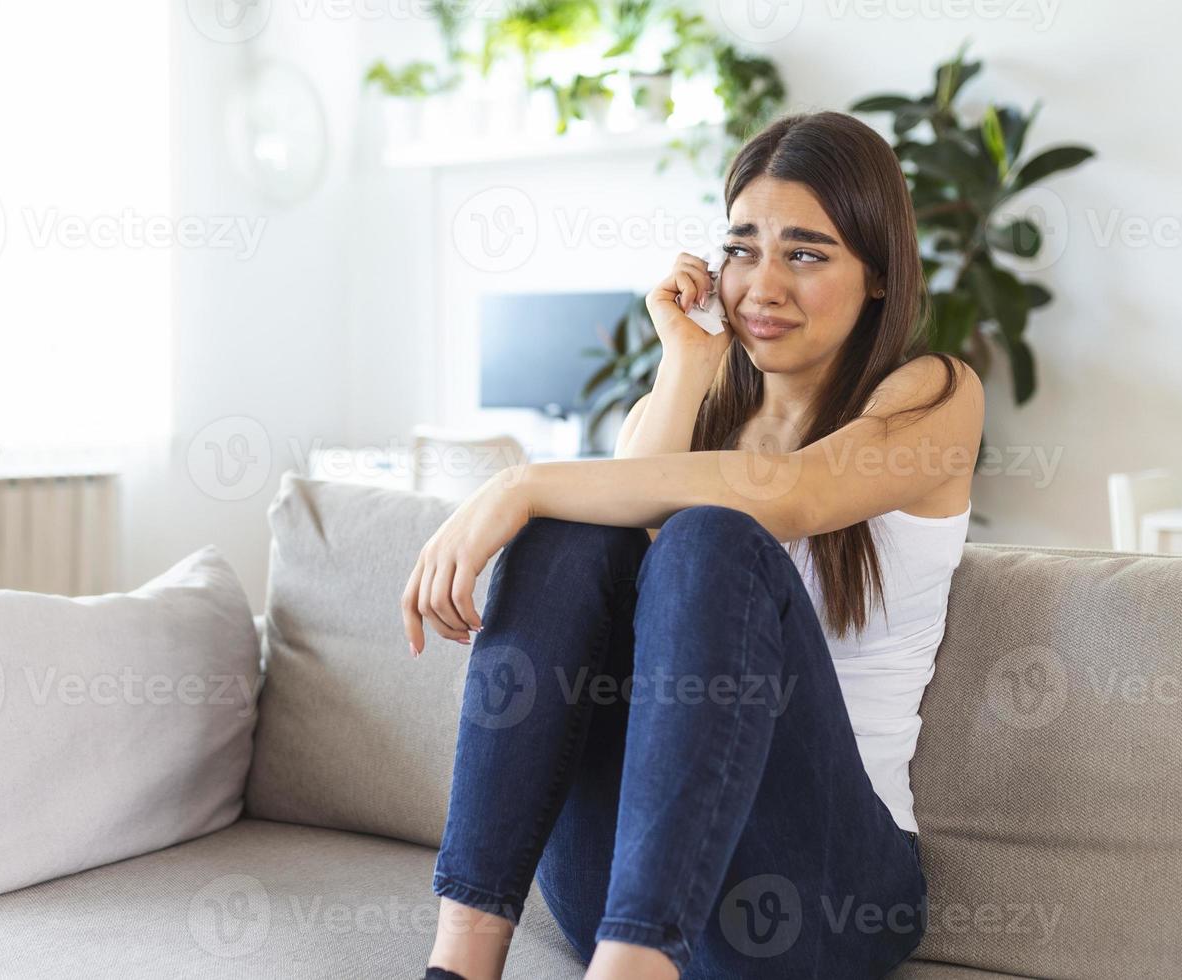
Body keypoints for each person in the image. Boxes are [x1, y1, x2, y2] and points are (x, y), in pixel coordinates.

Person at [401, 109, 984, 980]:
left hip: (824, 888)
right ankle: (461, 963)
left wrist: (516, 483)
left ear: (877, 275)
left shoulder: (934, 393)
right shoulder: (692, 408)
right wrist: (682, 365)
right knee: (575, 533)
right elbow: (608, 543)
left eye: (808, 253)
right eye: (743, 247)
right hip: (625, 878)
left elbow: (792, 494)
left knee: (712, 534)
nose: (763, 284)